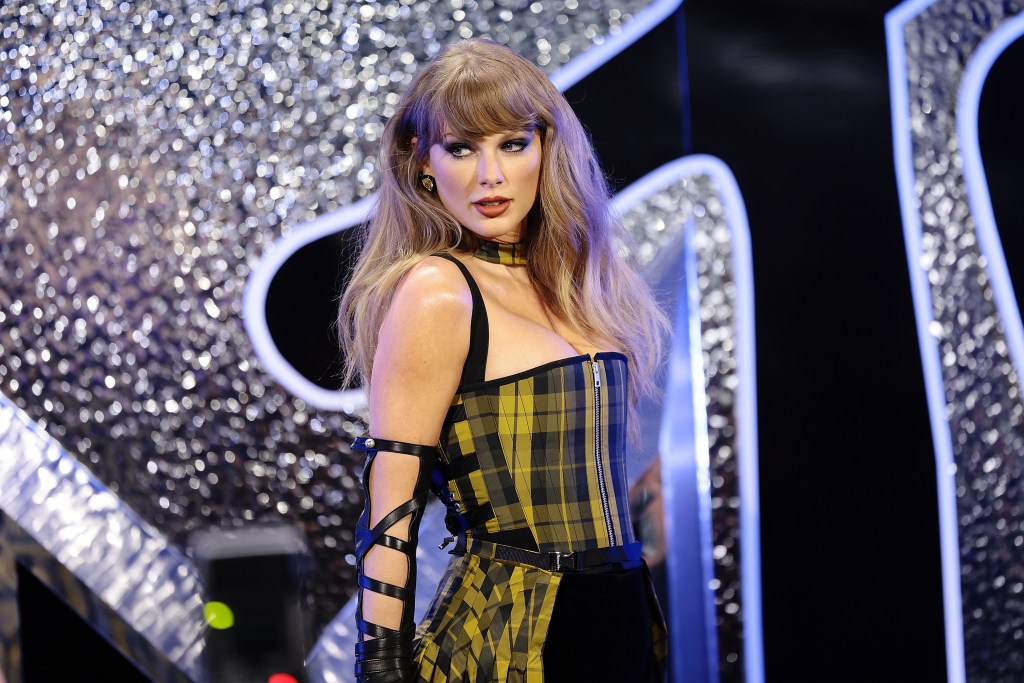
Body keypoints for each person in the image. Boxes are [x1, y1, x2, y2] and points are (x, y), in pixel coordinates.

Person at [338, 38, 669, 683]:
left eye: (512, 145)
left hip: (623, 621)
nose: (489, 175)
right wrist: (380, 664)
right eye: (462, 148)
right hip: (508, 638)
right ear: (422, 163)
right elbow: (390, 514)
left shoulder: (575, 286)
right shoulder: (437, 291)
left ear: (547, 151)